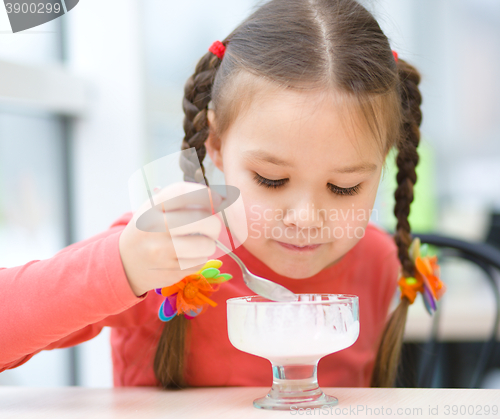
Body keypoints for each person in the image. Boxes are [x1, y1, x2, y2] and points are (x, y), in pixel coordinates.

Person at [0, 0, 423, 389]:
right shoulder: (162, 252)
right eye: (271, 179)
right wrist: (123, 267)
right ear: (217, 143)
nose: (306, 218)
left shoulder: (377, 261)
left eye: (344, 187)